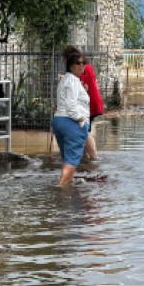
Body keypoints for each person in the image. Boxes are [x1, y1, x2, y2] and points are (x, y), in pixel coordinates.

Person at [52, 51, 89, 186]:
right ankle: (61, 188)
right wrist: (80, 119)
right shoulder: (73, 80)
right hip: (71, 123)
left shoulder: (66, 80)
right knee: (72, 159)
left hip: (59, 121)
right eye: (78, 63)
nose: (81, 66)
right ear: (70, 65)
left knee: (67, 158)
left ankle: (68, 184)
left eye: (83, 63)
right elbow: (71, 104)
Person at [63, 46, 103, 162]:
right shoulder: (85, 66)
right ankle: (85, 158)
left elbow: (78, 84)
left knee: (84, 131)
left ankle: (95, 158)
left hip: (89, 105)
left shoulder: (81, 67)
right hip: (90, 103)